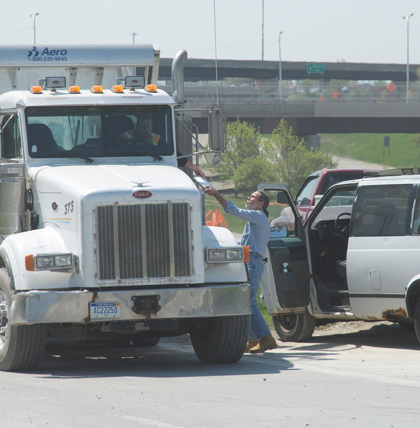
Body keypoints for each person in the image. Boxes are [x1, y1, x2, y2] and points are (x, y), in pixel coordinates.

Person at [203, 186, 277, 354]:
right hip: (248, 261)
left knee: (248, 302)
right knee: (244, 302)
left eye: (252, 197)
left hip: (253, 262)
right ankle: (254, 339)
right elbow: (241, 244)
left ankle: (266, 338)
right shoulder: (254, 220)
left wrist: (216, 194)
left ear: (261, 203)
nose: (248, 199)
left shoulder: (257, 216)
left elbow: (233, 210)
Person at [118, 113, 205, 178]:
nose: (146, 130)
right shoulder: (125, 137)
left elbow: (173, 155)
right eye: (143, 127)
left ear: (152, 127)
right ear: (136, 126)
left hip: (154, 171)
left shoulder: (157, 138)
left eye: (148, 127)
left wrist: (195, 169)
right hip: (129, 170)